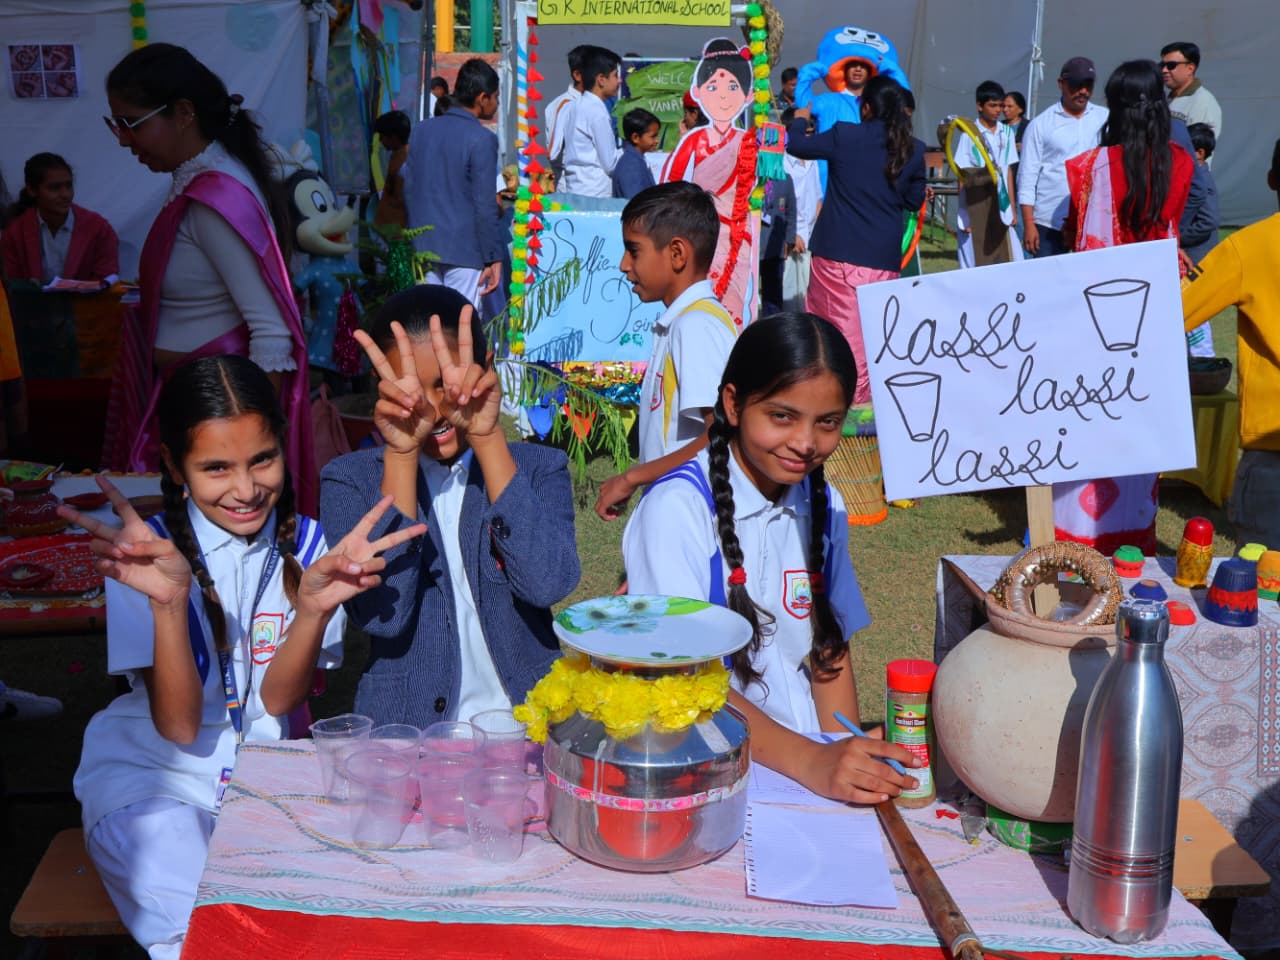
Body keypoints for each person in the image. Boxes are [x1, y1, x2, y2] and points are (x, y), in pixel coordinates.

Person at [65, 354, 423, 960]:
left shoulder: (312, 547)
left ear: (284, 446)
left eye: (262, 459)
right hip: (153, 781)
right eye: (216, 468)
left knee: (322, 910)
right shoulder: (145, 557)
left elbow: (278, 701)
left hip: (267, 776)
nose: (246, 488)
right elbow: (178, 727)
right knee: (194, 912)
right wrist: (169, 604)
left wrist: (312, 611)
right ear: (175, 467)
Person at [623, 312, 920, 803]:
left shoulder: (825, 504)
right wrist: (813, 761)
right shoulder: (676, 508)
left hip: (803, 773)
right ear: (733, 403)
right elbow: (681, 679)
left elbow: (829, 651)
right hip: (709, 773)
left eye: (827, 423)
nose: (805, 443)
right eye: (782, 416)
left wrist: (842, 754)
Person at [321, 285, 579, 727]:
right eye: (409, 390)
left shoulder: (540, 468)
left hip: (526, 724)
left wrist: (488, 437)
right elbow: (382, 618)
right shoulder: (349, 480)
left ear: (487, 368)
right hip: (408, 734)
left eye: (445, 384)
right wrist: (401, 455)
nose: (435, 410)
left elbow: (548, 584)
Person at [102, 43, 315, 513]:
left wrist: (246, 445)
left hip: (217, 420)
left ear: (183, 114)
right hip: (200, 409)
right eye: (115, 124)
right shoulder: (199, 181)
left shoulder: (216, 195)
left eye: (132, 124)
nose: (123, 140)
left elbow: (271, 331)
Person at [1053, 59, 1194, 556]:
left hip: (1094, 315)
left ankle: (1075, 531)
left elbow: (1074, 235)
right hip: (1153, 315)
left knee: (1089, 416)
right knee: (1139, 420)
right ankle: (1132, 535)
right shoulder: (1181, 163)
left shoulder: (1089, 167)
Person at [594, 182, 737, 520]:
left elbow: (722, 434)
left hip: (691, 514)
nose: (623, 264)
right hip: (674, 508)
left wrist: (632, 477)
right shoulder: (683, 321)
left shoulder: (696, 325)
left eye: (634, 251)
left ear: (677, 254)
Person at [787, 75, 926, 405]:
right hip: (882, 261)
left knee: (829, 337)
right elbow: (913, 201)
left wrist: (800, 120)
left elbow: (796, 145)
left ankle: (840, 407)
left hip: (836, 255)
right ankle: (857, 405)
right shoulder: (914, 148)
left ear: (866, 108)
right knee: (871, 339)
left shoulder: (845, 135)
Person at [661, 38, 761, 331]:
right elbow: (669, 184)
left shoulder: (748, 141)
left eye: (733, 87)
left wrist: (772, 150)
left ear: (747, 95)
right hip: (699, 232)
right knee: (698, 299)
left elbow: (762, 185)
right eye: (714, 87)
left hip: (739, 237)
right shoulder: (694, 140)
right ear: (699, 92)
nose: (724, 97)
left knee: (735, 306)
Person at [403, 58, 504, 312]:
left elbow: (410, 189)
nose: (497, 104)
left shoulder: (421, 130)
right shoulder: (482, 138)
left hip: (424, 245)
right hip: (465, 251)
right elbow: (485, 204)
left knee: (429, 323)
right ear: (482, 98)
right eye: (496, 97)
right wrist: (493, 256)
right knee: (461, 325)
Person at [1017, 57, 1108, 258]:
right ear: (1061, 84)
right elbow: (1027, 177)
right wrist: (1029, 224)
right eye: (1076, 85)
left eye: (1088, 85)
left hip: (1092, 221)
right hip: (1049, 223)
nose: (1083, 91)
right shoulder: (1040, 125)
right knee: (1047, 277)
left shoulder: (1104, 119)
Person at [2, 152, 119, 285]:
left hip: (88, 299)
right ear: (32, 190)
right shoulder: (15, 233)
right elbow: (11, 285)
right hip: (31, 299)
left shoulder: (98, 229)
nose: (65, 194)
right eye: (54, 188)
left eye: (69, 186)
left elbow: (106, 279)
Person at [954, 80, 1021, 268]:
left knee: (1012, 258)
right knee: (974, 259)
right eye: (993, 105)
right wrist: (966, 214)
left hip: (1001, 203)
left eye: (1001, 105)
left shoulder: (1006, 132)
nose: (998, 110)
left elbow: (1007, 171)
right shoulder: (969, 134)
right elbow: (962, 176)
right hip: (977, 201)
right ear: (979, 106)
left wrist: (1012, 208)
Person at [559, 46, 623, 197]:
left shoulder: (574, 106)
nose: (619, 80)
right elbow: (610, 164)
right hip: (596, 194)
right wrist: (633, 151)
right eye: (615, 75)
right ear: (601, 80)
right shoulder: (597, 112)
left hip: (576, 188)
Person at [1182, 123, 1221, 359]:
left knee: (1195, 312)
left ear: (1199, 153)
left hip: (1196, 258)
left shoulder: (1202, 181)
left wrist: (1178, 237)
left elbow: (1208, 221)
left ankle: (1203, 360)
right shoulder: (1195, 176)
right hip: (1192, 257)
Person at [780, 107, 822, 312]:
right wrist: (793, 234)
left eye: (812, 133)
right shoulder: (782, 163)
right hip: (791, 237)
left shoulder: (813, 160)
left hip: (811, 236)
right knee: (789, 294)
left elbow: (818, 197)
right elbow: (782, 203)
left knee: (809, 295)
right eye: (805, 132)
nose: (809, 137)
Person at [1161, 41, 1222, 147]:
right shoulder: (1166, 99)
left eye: (1171, 65)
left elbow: (1196, 149)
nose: (1164, 70)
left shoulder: (1202, 102)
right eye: (1162, 65)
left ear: (1190, 68)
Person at [545, 44, 588, 183]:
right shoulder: (562, 105)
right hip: (570, 184)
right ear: (577, 75)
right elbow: (554, 154)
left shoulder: (598, 104)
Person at [758, 172, 796, 316]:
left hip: (775, 246)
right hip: (754, 246)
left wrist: (789, 240)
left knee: (773, 297)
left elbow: (791, 213)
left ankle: (772, 323)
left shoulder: (785, 179)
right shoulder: (752, 178)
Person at [372, 110, 410, 231]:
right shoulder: (397, 156)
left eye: (382, 137)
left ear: (393, 138)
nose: (380, 141)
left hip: (397, 231)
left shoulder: (404, 162)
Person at [611, 107, 659, 199]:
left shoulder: (637, 160)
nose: (657, 140)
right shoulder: (630, 166)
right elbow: (636, 201)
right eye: (653, 136)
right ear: (635, 137)